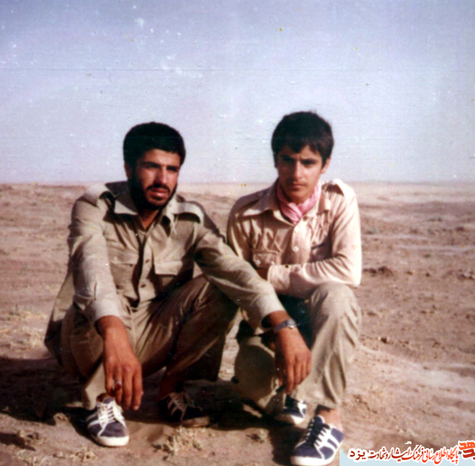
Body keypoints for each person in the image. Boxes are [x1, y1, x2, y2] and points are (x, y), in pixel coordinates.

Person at [45, 121, 311, 448]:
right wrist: (114, 332)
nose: (163, 179)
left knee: (221, 287)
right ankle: (102, 399)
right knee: (92, 301)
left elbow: (235, 271)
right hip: (89, 339)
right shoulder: (94, 206)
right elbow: (91, 270)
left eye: (172, 169)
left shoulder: (190, 217)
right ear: (129, 168)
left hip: (149, 335)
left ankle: (170, 389)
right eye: (151, 167)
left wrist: (283, 325)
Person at [227, 111, 362, 466]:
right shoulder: (245, 214)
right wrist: (278, 331)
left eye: (308, 162)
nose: (296, 173)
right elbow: (239, 288)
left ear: (325, 164)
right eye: (287, 160)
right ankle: (292, 394)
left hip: (317, 329)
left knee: (338, 295)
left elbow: (348, 271)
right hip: (269, 330)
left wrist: (270, 274)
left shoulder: (339, 201)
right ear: (275, 160)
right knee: (251, 382)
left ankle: (328, 416)